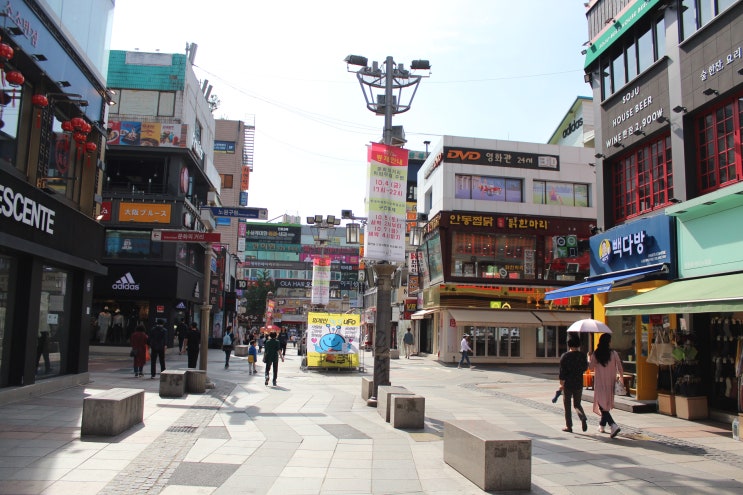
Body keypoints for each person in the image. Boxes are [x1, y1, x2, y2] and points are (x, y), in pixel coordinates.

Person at [589, 333, 625, 438]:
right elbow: (619, 366)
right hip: (610, 382)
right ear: (608, 342)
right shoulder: (613, 353)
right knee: (605, 404)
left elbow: (590, 367)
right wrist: (621, 377)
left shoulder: (596, 354)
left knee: (601, 405)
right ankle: (602, 425)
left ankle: (613, 425)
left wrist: (590, 358)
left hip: (600, 382)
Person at [559, 334, 589, 433]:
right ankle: (582, 417)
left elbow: (562, 372)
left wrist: (561, 384)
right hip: (579, 382)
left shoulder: (565, 356)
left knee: (567, 405)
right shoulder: (582, 355)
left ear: (568, 344)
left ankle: (569, 426)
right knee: (577, 404)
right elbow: (585, 368)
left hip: (568, 383)